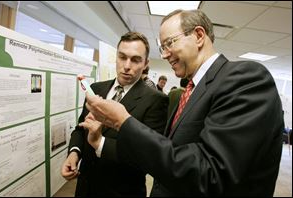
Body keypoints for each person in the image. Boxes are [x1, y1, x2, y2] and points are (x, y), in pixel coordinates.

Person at [84, 9, 284, 196]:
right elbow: (172, 151)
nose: (164, 54)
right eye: (162, 47)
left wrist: (123, 121)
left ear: (198, 35)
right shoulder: (192, 90)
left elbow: (212, 174)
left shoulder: (244, 78)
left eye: (169, 43)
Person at [61, 31, 169, 196]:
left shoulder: (156, 100)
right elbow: (81, 127)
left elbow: (148, 155)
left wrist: (100, 143)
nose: (126, 65)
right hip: (85, 186)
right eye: (122, 57)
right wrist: (74, 152)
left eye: (135, 59)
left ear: (146, 63)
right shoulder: (96, 89)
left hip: (122, 190)